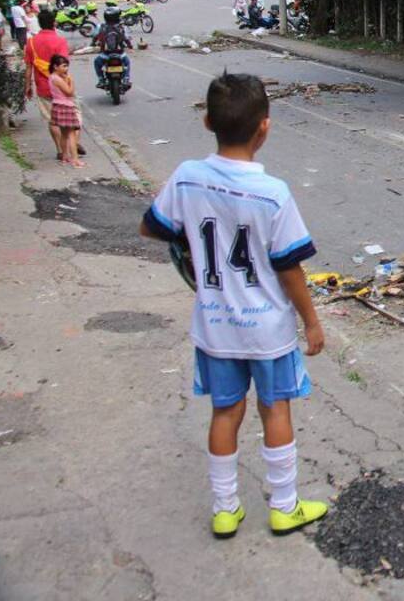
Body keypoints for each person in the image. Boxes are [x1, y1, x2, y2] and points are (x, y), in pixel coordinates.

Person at [139, 73, 328, 539]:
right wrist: (312, 322)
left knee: (225, 412)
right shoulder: (274, 194)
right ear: (265, 127)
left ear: (207, 122)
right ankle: (284, 506)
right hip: (268, 331)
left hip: (215, 326)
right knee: (275, 409)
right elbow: (289, 269)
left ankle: (225, 510)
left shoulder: (187, 177)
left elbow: (152, 227)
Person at [23, 8, 73, 159]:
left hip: (43, 87)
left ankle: (59, 150)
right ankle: (69, 149)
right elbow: (64, 65)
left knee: (52, 120)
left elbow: (28, 67)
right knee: (66, 118)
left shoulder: (31, 42)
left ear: (39, 23)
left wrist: (28, 86)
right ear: (54, 23)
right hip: (60, 87)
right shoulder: (60, 41)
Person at [47, 55, 84, 168]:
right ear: (55, 66)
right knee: (71, 134)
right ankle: (75, 160)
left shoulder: (52, 77)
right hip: (65, 106)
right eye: (63, 66)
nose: (66, 69)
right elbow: (69, 92)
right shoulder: (57, 79)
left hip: (57, 105)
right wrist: (71, 81)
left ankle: (65, 156)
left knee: (64, 134)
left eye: (67, 66)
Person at [93, 7, 132, 88]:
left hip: (105, 55)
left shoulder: (101, 26)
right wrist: (130, 45)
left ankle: (101, 80)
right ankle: (126, 79)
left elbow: (95, 37)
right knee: (127, 63)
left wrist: (93, 43)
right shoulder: (121, 27)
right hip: (120, 54)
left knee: (96, 62)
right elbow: (126, 39)